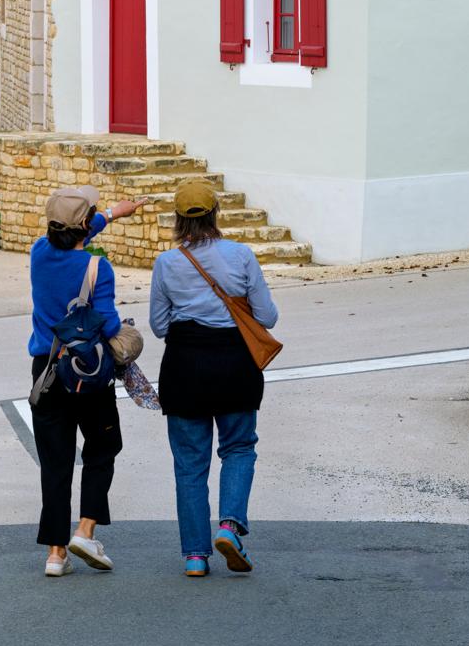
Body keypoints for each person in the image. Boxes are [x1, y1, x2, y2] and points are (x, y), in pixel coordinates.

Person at [149, 179, 280, 579]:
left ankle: (194, 556)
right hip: (235, 365)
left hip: (184, 367)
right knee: (239, 448)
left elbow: (157, 325)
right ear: (215, 214)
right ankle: (229, 526)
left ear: (177, 219)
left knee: (190, 464)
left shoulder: (167, 263)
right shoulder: (241, 256)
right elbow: (268, 317)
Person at [28, 185, 148, 577]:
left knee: (55, 462)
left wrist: (113, 214)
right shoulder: (98, 268)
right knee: (102, 446)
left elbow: (76, 233)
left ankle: (55, 553)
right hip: (89, 373)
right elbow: (108, 323)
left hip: (46, 371)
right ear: (83, 225)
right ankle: (86, 529)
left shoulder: (38, 255)